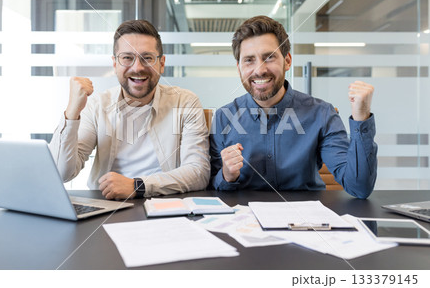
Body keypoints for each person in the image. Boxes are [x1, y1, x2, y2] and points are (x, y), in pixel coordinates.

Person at [209, 15, 377, 199]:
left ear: (287, 61)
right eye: (249, 60)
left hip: (308, 221)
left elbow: (359, 188)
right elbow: (212, 185)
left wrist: (361, 117)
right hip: (244, 222)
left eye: (269, 57)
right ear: (239, 67)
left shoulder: (321, 114)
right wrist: (227, 175)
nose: (259, 70)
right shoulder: (224, 118)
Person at [49, 19, 210, 199]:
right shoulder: (96, 106)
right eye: (127, 58)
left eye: (147, 58)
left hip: (165, 205)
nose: (137, 67)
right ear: (115, 63)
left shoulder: (185, 102)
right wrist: (72, 112)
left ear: (161, 63)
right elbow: (62, 173)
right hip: (106, 205)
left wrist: (137, 186)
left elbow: (198, 172)